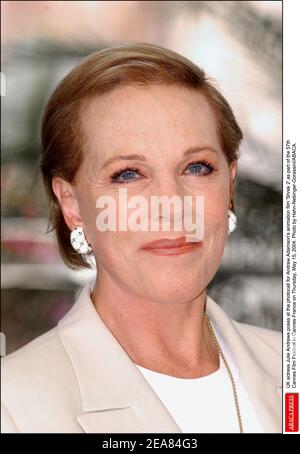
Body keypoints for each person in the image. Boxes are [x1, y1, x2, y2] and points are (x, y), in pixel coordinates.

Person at [1, 43, 281, 433]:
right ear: (72, 204)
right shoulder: (13, 407)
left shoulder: (286, 366)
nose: (171, 206)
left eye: (197, 167)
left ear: (229, 186)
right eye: (128, 174)